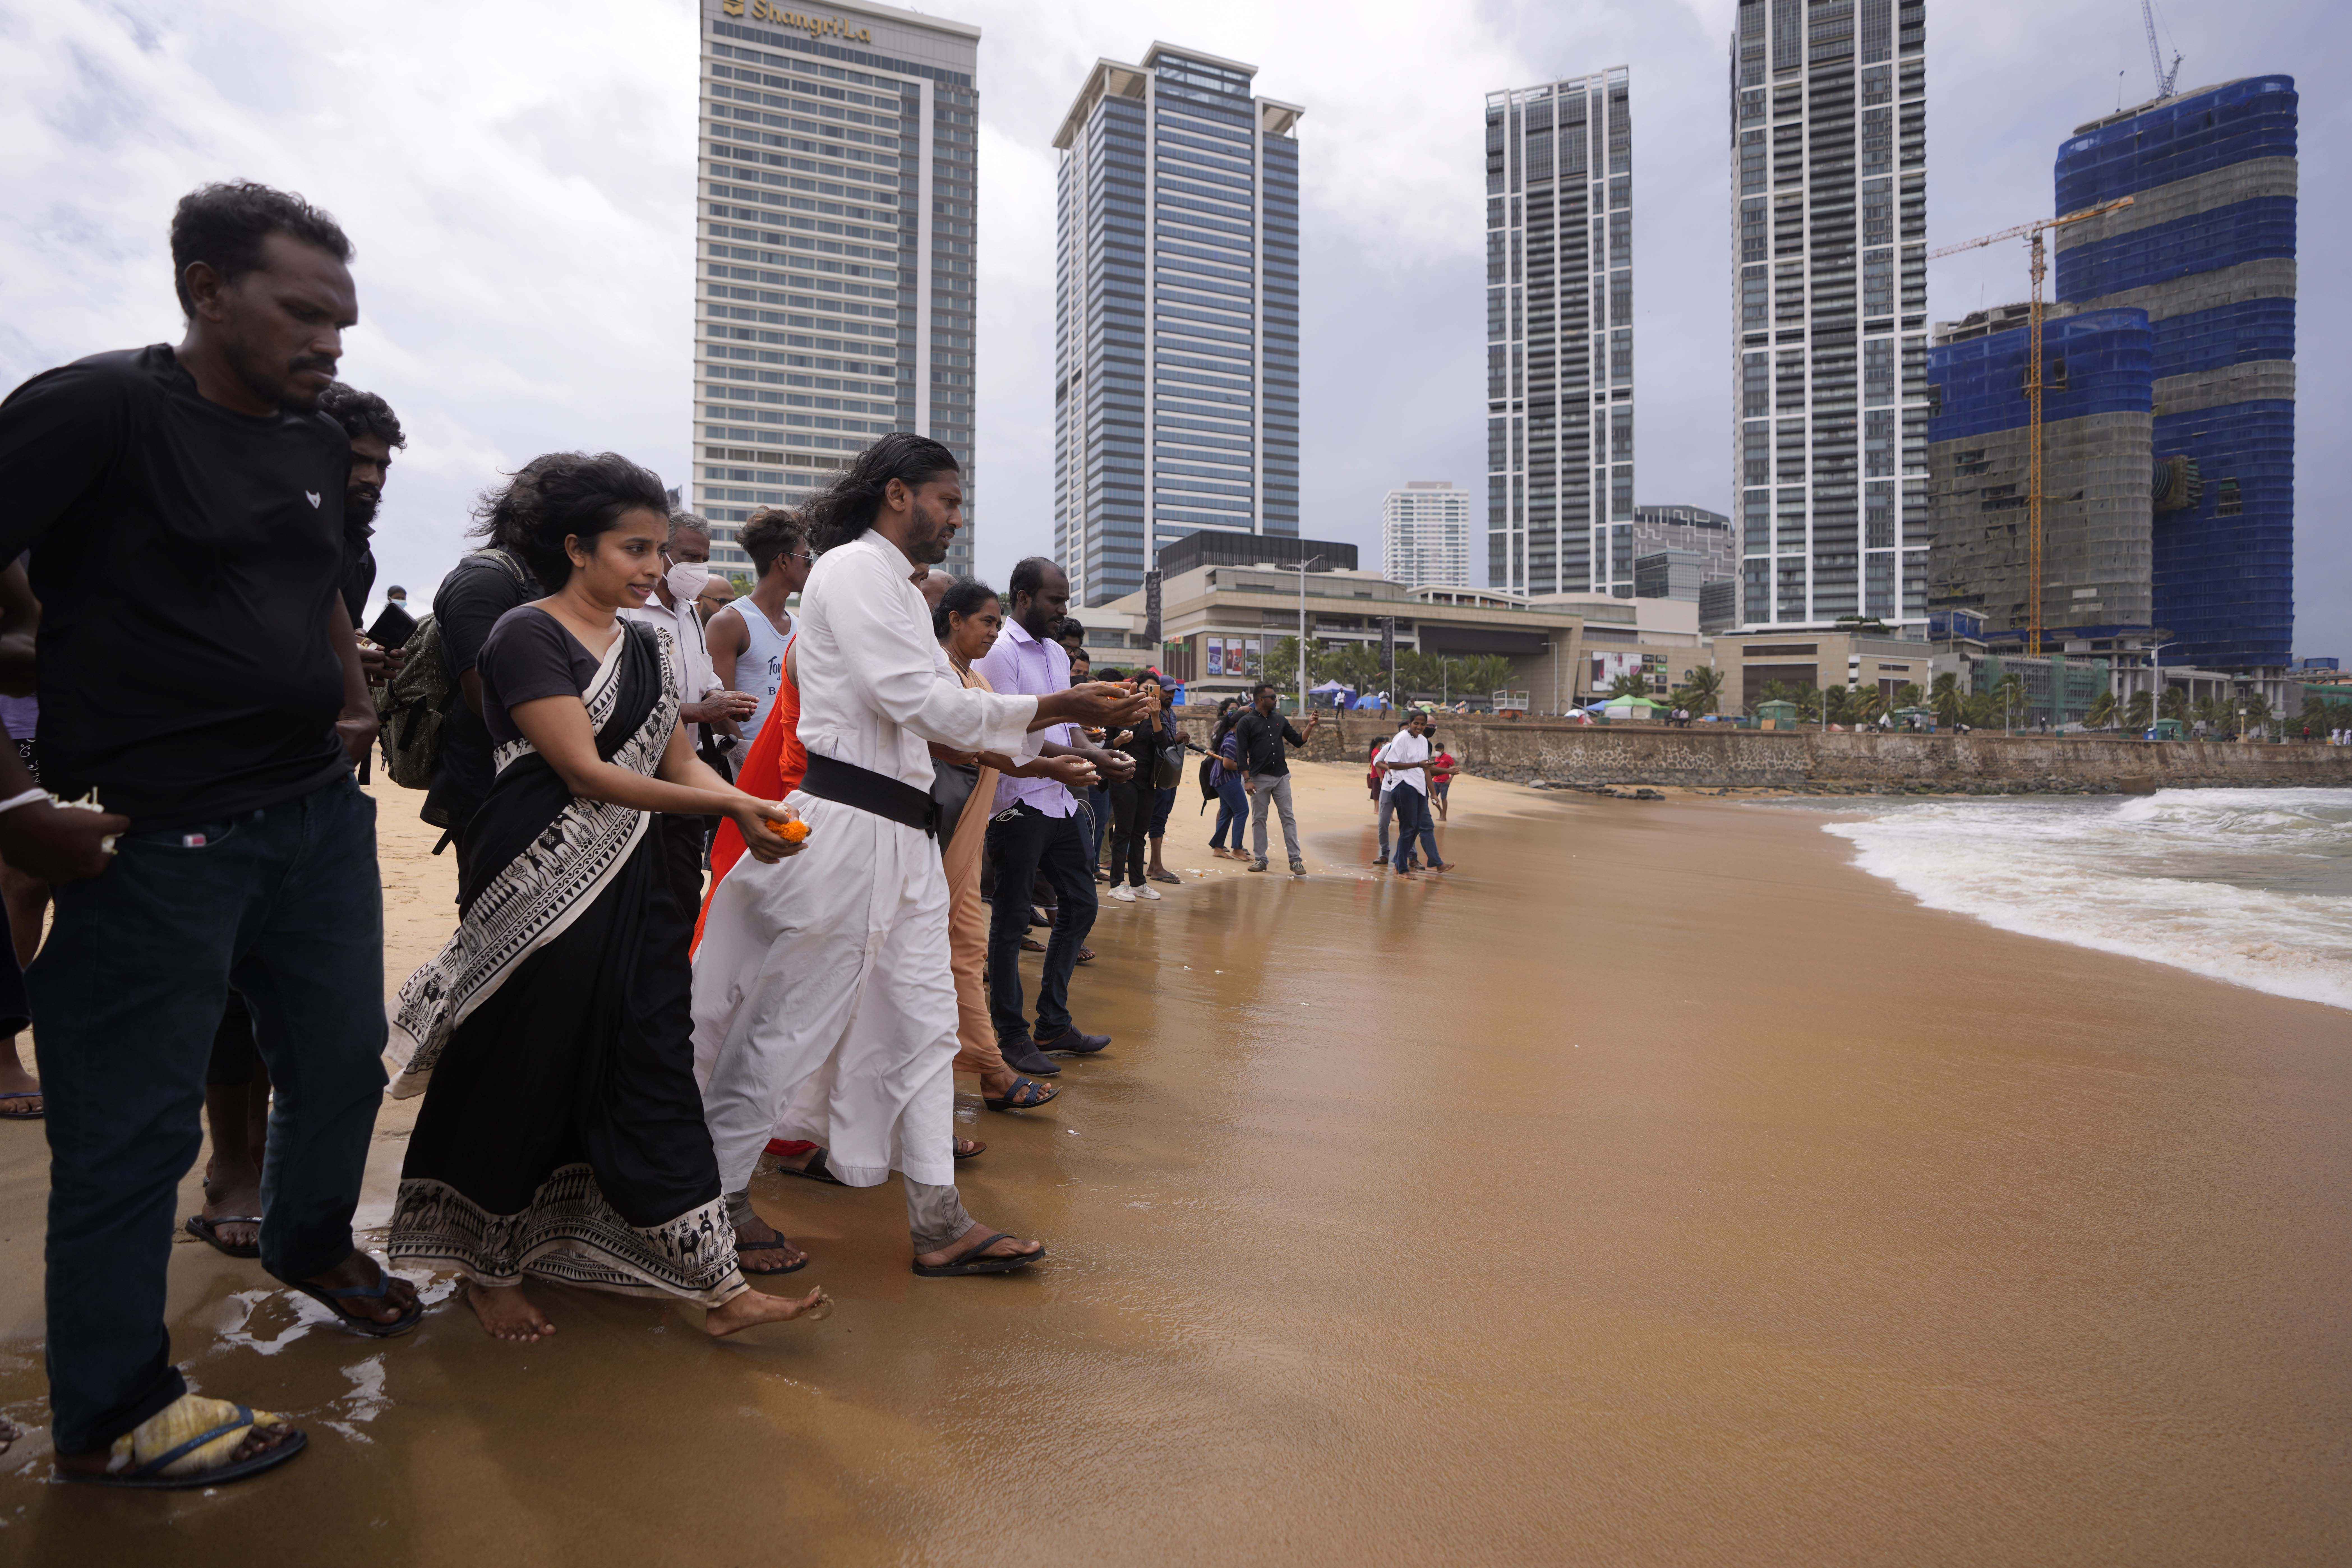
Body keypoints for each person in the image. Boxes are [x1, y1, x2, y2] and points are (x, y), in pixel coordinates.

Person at [0, 181, 417, 1488]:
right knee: (133, 1133)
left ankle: (307, 1238)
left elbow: (316, 590)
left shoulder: (313, 439)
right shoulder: (98, 410)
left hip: (314, 822)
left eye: (342, 322)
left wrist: (349, 700)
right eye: (303, 314)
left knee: (343, 1062)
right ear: (205, 290)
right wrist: (14, 804)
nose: (330, 343)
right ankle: (115, 1410)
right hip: (155, 836)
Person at [386, 451, 824, 1341]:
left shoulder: (653, 645)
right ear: (576, 547)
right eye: (635, 549)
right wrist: (733, 805)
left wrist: (746, 809)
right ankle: (490, 1269)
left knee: (653, 1057)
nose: (654, 568)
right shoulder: (525, 635)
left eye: (660, 551)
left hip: (641, 878)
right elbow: (583, 770)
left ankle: (715, 1284)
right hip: (537, 883)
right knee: (523, 1061)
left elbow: (679, 762)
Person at [693, 438, 1147, 1279]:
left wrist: (1050, 731)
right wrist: (1057, 704)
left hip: (901, 837)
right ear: (897, 493)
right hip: (848, 832)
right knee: (788, 1022)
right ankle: (716, 1202)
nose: (957, 518)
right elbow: (915, 699)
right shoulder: (854, 572)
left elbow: (933, 712)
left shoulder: (894, 585)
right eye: (948, 499)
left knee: (928, 1027)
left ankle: (940, 1221)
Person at [189, 377, 410, 1261]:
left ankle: (282, 1180)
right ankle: (229, 1166)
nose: (369, 479)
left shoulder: (351, 548)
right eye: (355, 461)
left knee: (304, 999)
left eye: (381, 467)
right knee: (227, 986)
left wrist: (354, 666)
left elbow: (318, 628)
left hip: (317, 784)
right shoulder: (226, 514)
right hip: (219, 779)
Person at [973, 556, 1134, 1076]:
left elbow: (1069, 722)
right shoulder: (1000, 653)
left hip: (1061, 798)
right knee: (1011, 919)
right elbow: (1011, 728)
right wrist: (1088, 758)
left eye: (1065, 600)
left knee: (1081, 905)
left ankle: (1053, 1022)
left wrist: (1099, 753)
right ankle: (1011, 1035)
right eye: (1055, 600)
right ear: (1023, 598)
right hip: (1018, 800)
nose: (1064, 610)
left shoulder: (1055, 653)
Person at [930, 578, 1087, 1110]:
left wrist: (1061, 755)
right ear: (954, 619)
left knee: (966, 949)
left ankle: (991, 1067)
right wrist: (1053, 752)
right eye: (986, 622)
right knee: (937, 954)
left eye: (997, 624)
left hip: (971, 826)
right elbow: (963, 742)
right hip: (943, 827)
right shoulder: (936, 671)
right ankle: (971, 1074)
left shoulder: (974, 675)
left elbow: (1000, 739)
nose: (993, 633)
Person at [621, 513, 757, 914]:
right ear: (662, 553)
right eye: (689, 556)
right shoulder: (629, 610)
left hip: (687, 778)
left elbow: (704, 674)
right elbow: (626, 699)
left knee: (681, 899)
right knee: (639, 902)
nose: (698, 567)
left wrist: (722, 698)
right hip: (635, 782)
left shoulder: (689, 613)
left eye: (704, 559)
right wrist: (700, 711)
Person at [424, 464, 547, 849]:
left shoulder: (552, 581)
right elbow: (484, 698)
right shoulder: (486, 579)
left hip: (546, 786)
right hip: (493, 791)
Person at [703, 506, 812, 779]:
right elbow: (719, 708)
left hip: (793, 762)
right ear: (783, 562)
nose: (812, 567)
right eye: (807, 558)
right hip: (748, 767)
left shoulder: (800, 627)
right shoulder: (731, 622)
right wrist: (750, 763)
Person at [1233, 681, 1321, 874]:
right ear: (1260, 700)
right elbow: (1241, 753)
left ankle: (1296, 861)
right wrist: (1247, 780)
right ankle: (1261, 859)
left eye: (1276, 697)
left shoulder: (1280, 719)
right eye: (1272, 697)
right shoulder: (1247, 723)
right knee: (1259, 819)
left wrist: (1310, 726)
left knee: (1288, 817)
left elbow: (1297, 741)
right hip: (1258, 779)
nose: (1276, 700)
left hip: (1281, 776)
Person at [1105, 678, 1172, 903]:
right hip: (1124, 777)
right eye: (1145, 689)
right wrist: (1119, 741)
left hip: (1148, 781)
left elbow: (1164, 745)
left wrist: (1155, 716)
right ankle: (1116, 884)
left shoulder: (1156, 715)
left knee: (1139, 833)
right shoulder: (1120, 712)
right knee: (1123, 831)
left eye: (1153, 690)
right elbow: (1105, 747)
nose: (1149, 694)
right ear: (1135, 689)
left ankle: (1138, 882)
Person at [1375, 711, 1451, 876]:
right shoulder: (1401, 738)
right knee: (1408, 828)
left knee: (1417, 827)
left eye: (1423, 724)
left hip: (1419, 788)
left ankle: (1402, 863)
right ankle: (1402, 868)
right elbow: (1392, 764)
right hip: (1403, 786)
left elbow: (1426, 768)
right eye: (1416, 723)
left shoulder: (1424, 741)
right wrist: (1417, 764)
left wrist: (1433, 792)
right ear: (1410, 723)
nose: (1420, 727)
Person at [1206, 698, 1250, 860]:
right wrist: (1245, 765)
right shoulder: (1232, 740)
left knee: (1227, 812)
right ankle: (1237, 849)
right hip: (1226, 780)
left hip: (1221, 779)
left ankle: (1218, 847)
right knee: (1242, 810)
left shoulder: (1231, 736)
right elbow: (1228, 764)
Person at [1429, 731, 1456, 824]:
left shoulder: (1448, 757)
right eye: (1436, 750)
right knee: (1433, 798)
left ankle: (1444, 816)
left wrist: (1450, 779)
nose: (1437, 752)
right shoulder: (1437, 758)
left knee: (1444, 798)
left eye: (1438, 750)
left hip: (1445, 782)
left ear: (1442, 750)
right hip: (1436, 781)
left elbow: (1454, 768)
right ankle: (1441, 811)